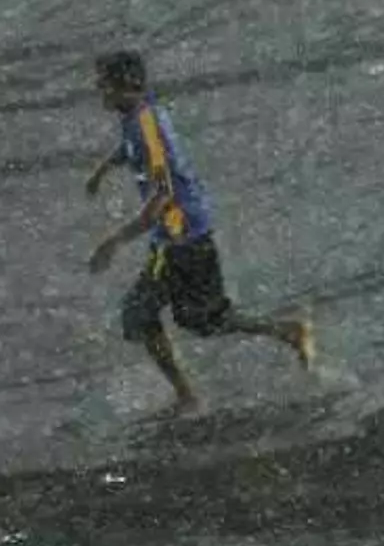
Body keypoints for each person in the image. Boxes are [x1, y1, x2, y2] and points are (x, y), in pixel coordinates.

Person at [85, 49, 313, 415]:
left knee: (150, 315)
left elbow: (161, 197)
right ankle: (285, 332)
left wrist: (112, 242)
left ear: (125, 86)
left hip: (182, 239)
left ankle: (190, 394)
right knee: (198, 318)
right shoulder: (141, 114)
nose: (99, 91)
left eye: (104, 85)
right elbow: (131, 148)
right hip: (180, 237)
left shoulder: (147, 128)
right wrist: (102, 169)